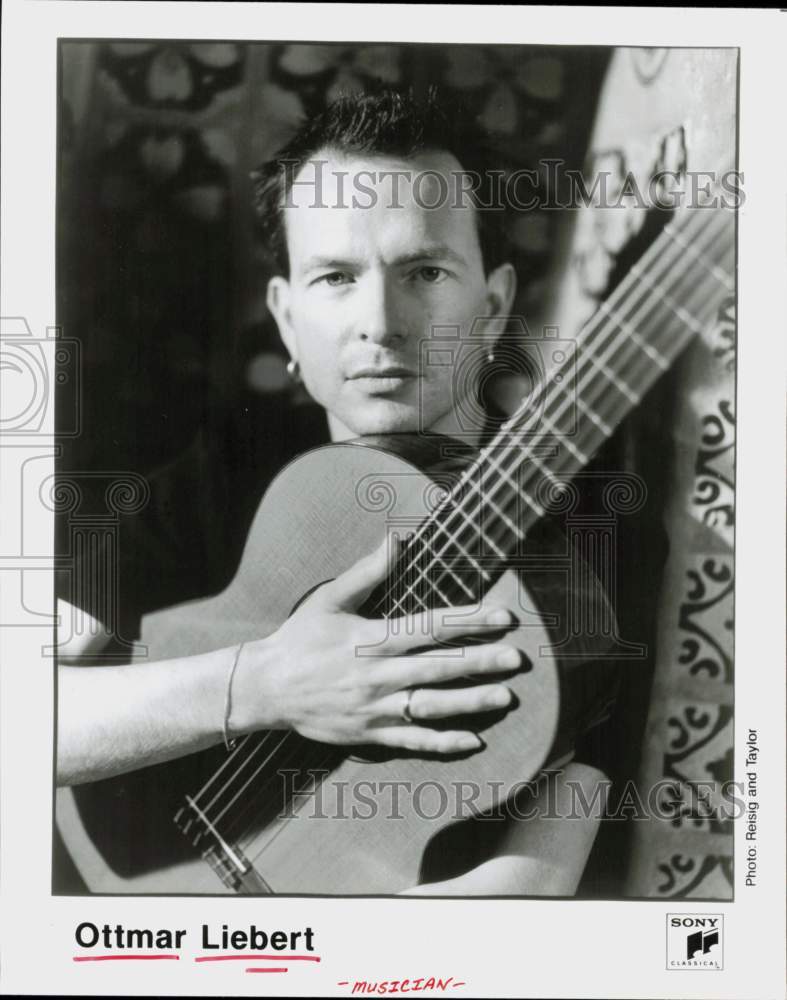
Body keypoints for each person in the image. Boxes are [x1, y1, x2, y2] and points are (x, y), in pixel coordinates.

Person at [56, 86, 618, 894]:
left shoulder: (587, 533)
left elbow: (520, 895)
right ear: (285, 320)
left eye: (424, 270)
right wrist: (266, 683)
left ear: (492, 307)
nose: (379, 322)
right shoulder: (225, 474)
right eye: (334, 277)